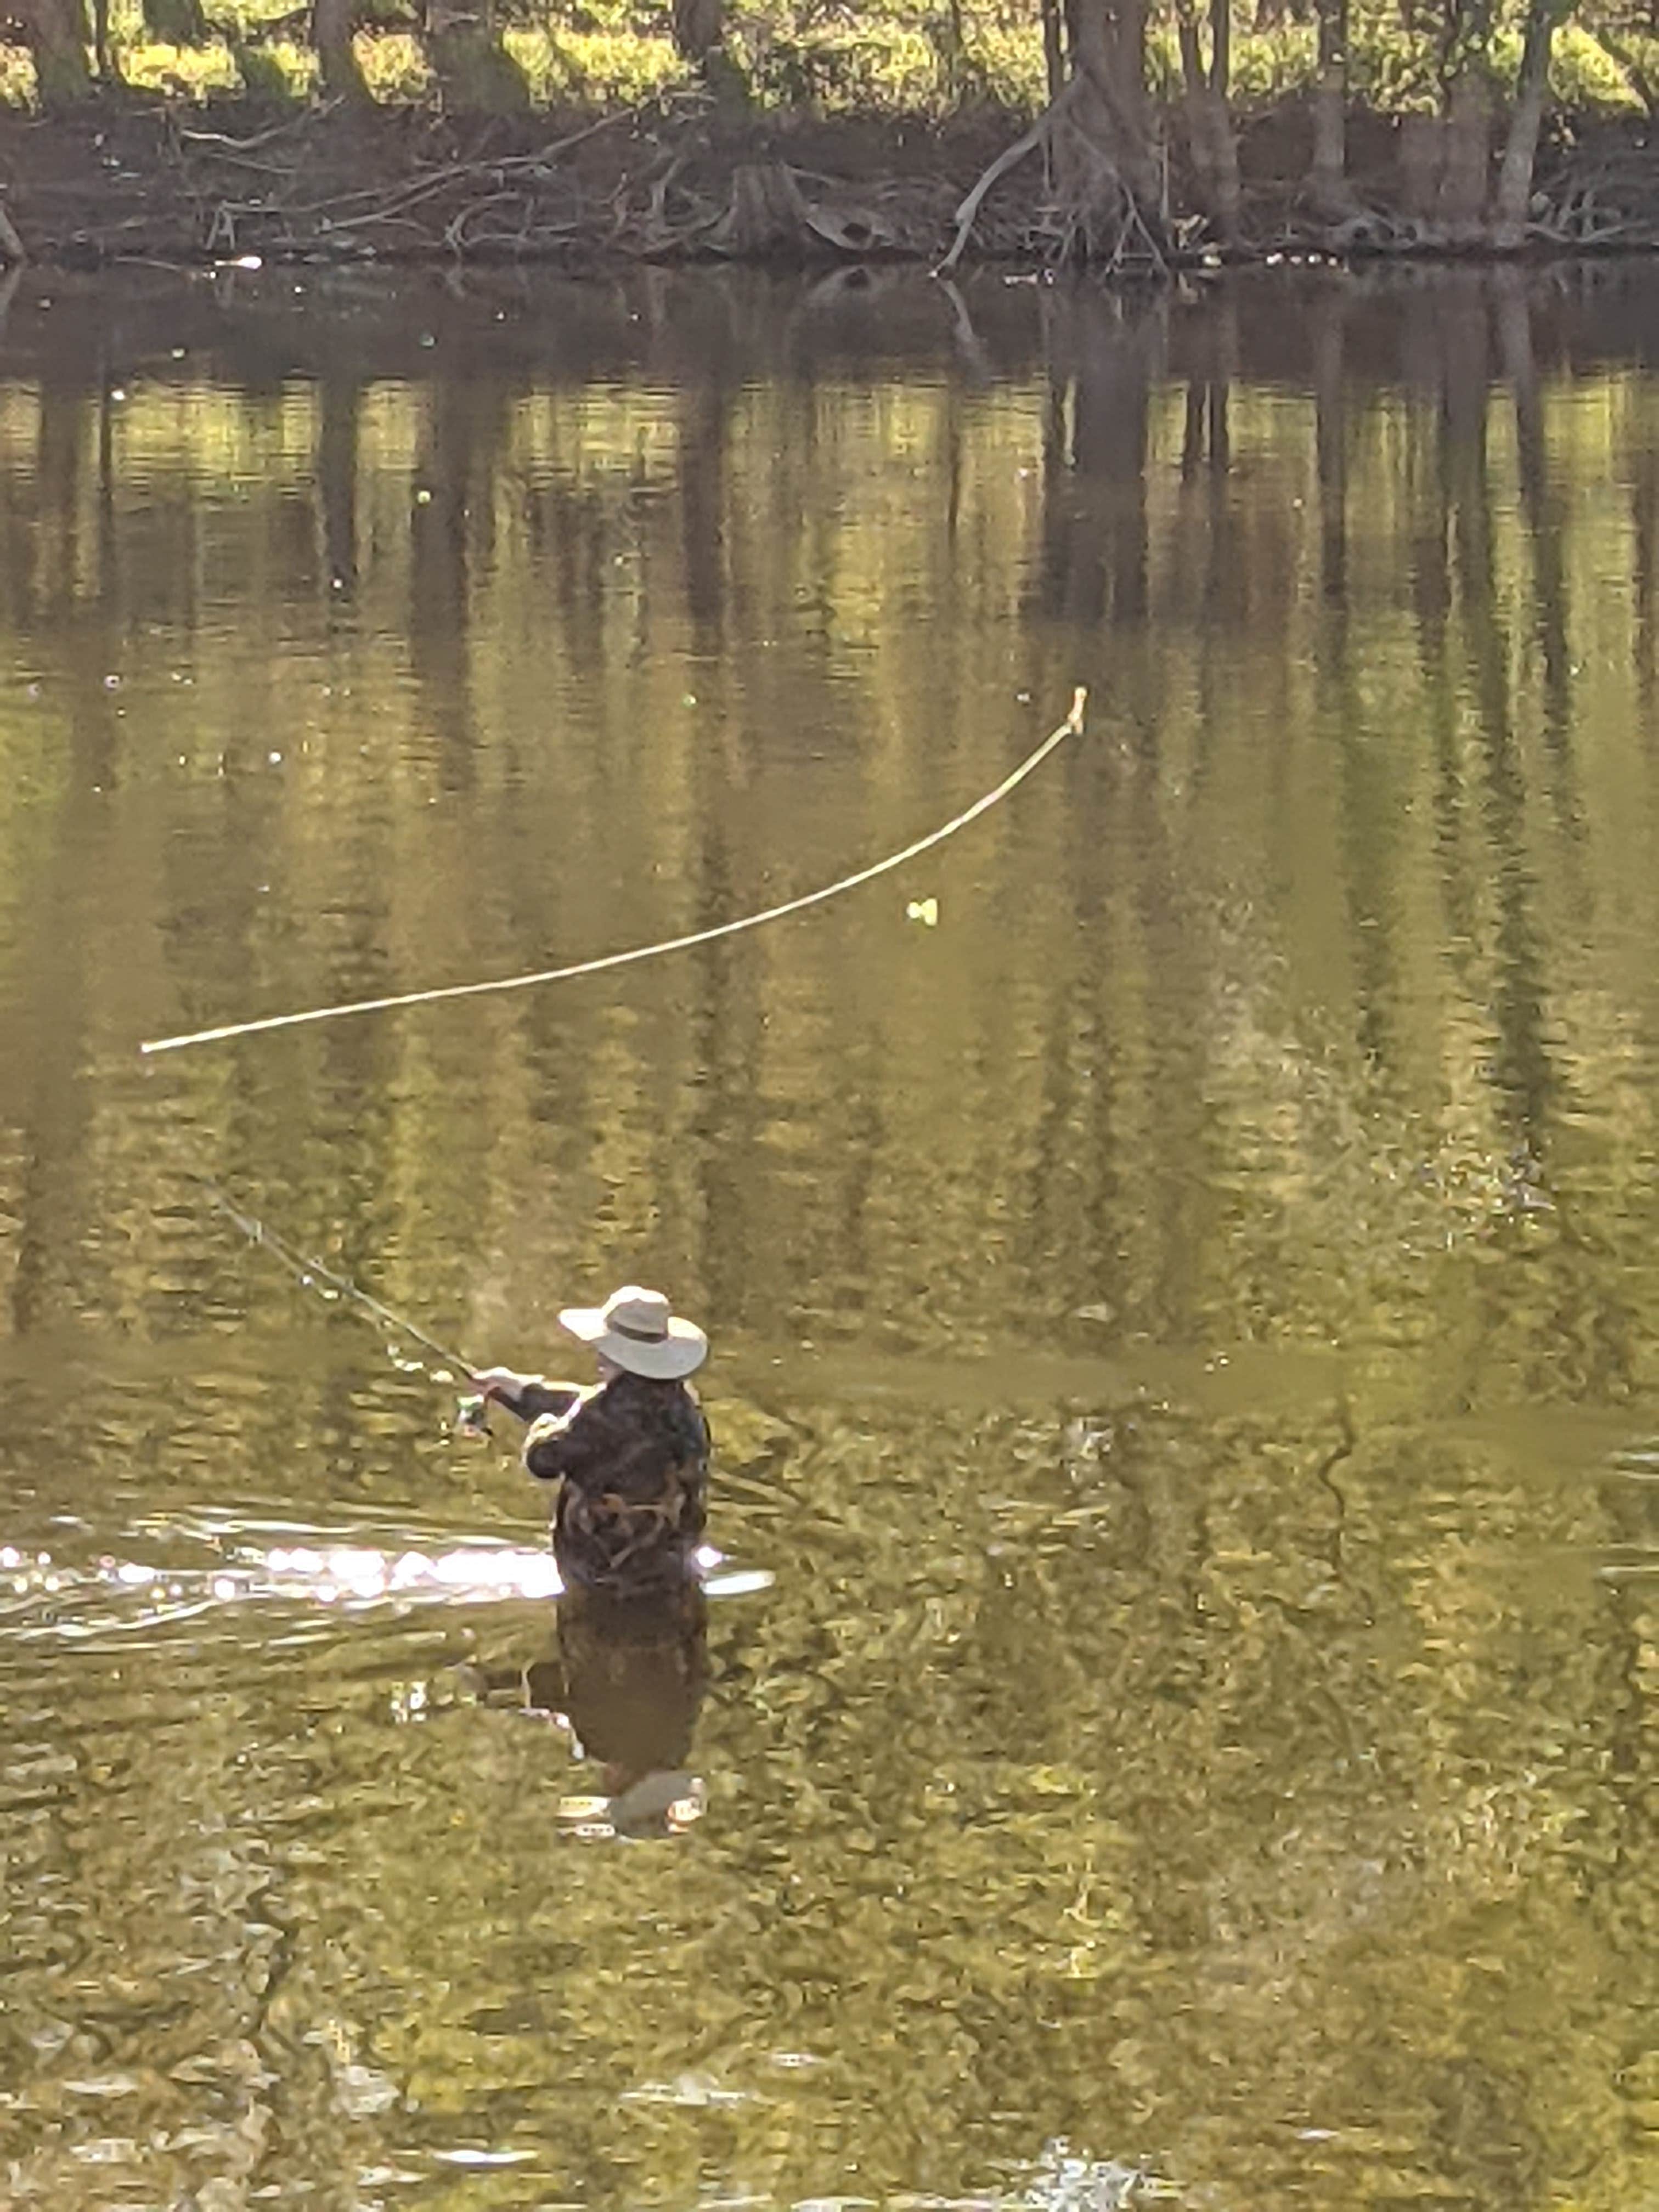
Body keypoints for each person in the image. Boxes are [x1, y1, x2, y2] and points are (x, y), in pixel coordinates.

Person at [470, 1285, 711, 1593]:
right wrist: (519, 1390)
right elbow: (593, 1407)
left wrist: (543, 1423)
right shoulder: (683, 1402)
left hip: (602, 1575)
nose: (598, 1357)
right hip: (673, 1569)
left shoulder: (599, 1415)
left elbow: (542, 1460)